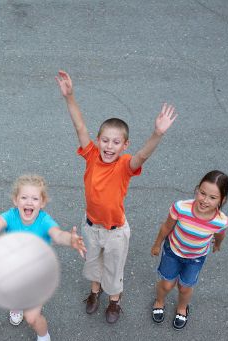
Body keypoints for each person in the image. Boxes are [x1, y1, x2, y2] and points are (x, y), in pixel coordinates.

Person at [55, 70, 177, 324]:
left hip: (115, 231)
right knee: (92, 265)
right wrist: (70, 97)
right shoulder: (91, 155)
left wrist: (158, 134)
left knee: (114, 269)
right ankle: (94, 293)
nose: (109, 147)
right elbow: (79, 126)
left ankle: (114, 301)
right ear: (98, 141)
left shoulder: (124, 165)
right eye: (106, 141)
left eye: (116, 142)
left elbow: (142, 156)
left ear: (125, 145)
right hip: (91, 227)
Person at [0, 175, 86, 341]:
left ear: (42, 202)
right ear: (15, 200)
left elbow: (58, 235)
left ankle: (44, 338)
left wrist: (70, 239)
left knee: (31, 317)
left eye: (35, 198)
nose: (29, 202)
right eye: (24, 197)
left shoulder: (45, 221)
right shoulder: (10, 216)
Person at [150, 170, 228, 329]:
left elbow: (220, 235)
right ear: (197, 189)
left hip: (196, 258)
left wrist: (217, 245)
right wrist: (157, 244)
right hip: (173, 251)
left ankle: (182, 307)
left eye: (213, 197)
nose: (205, 200)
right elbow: (167, 226)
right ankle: (159, 301)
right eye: (202, 193)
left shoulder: (221, 221)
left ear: (222, 199)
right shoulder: (181, 207)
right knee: (166, 284)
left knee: (185, 287)